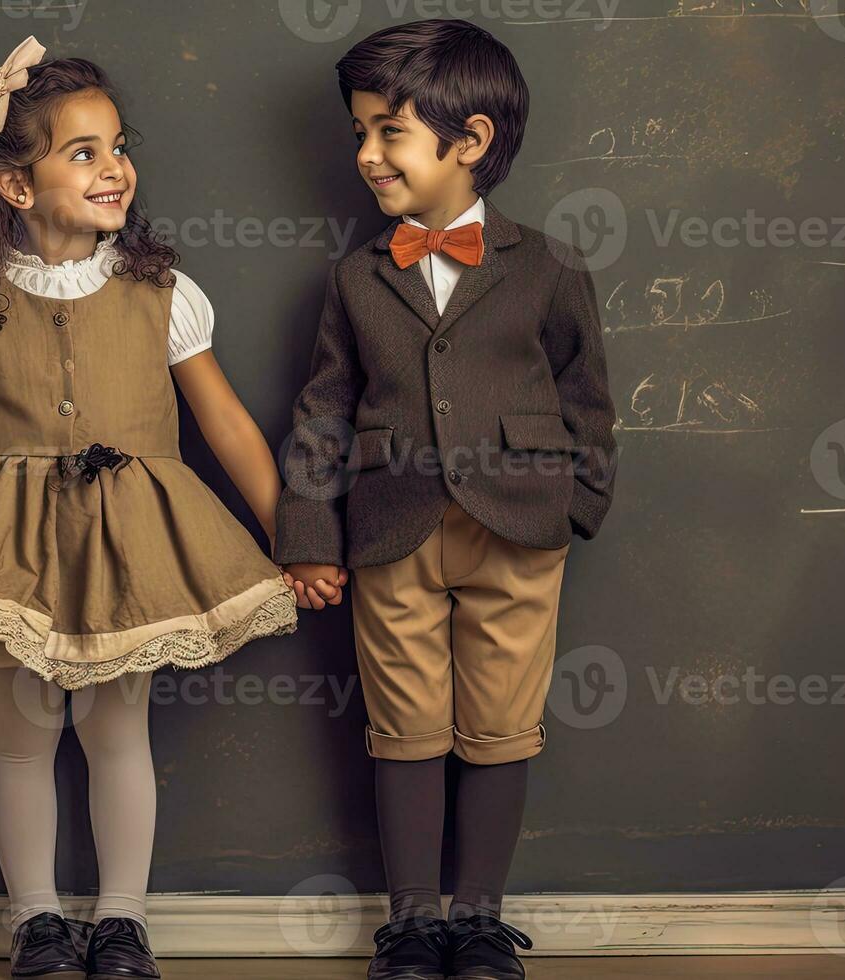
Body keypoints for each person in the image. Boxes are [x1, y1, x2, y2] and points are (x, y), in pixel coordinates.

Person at [0, 36, 298, 979]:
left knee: (116, 730)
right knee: (20, 737)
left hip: (131, 545)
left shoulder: (164, 295)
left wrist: (289, 536)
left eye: (117, 145)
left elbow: (224, 425)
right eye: (83, 152)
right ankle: (35, 923)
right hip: (2, 550)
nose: (114, 168)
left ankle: (121, 920)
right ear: (18, 187)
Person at [275, 19, 619, 980]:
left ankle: (478, 921)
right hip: (389, 533)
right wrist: (308, 535)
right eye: (358, 133)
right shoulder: (355, 276)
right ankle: (411, 925)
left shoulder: (548, 268)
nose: (365, 154)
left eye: (387, 131)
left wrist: (576, 507)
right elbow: (322, 412)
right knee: (405, 725)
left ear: (467, 141)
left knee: (503, 722)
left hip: (519, 528)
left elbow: (588, 400)